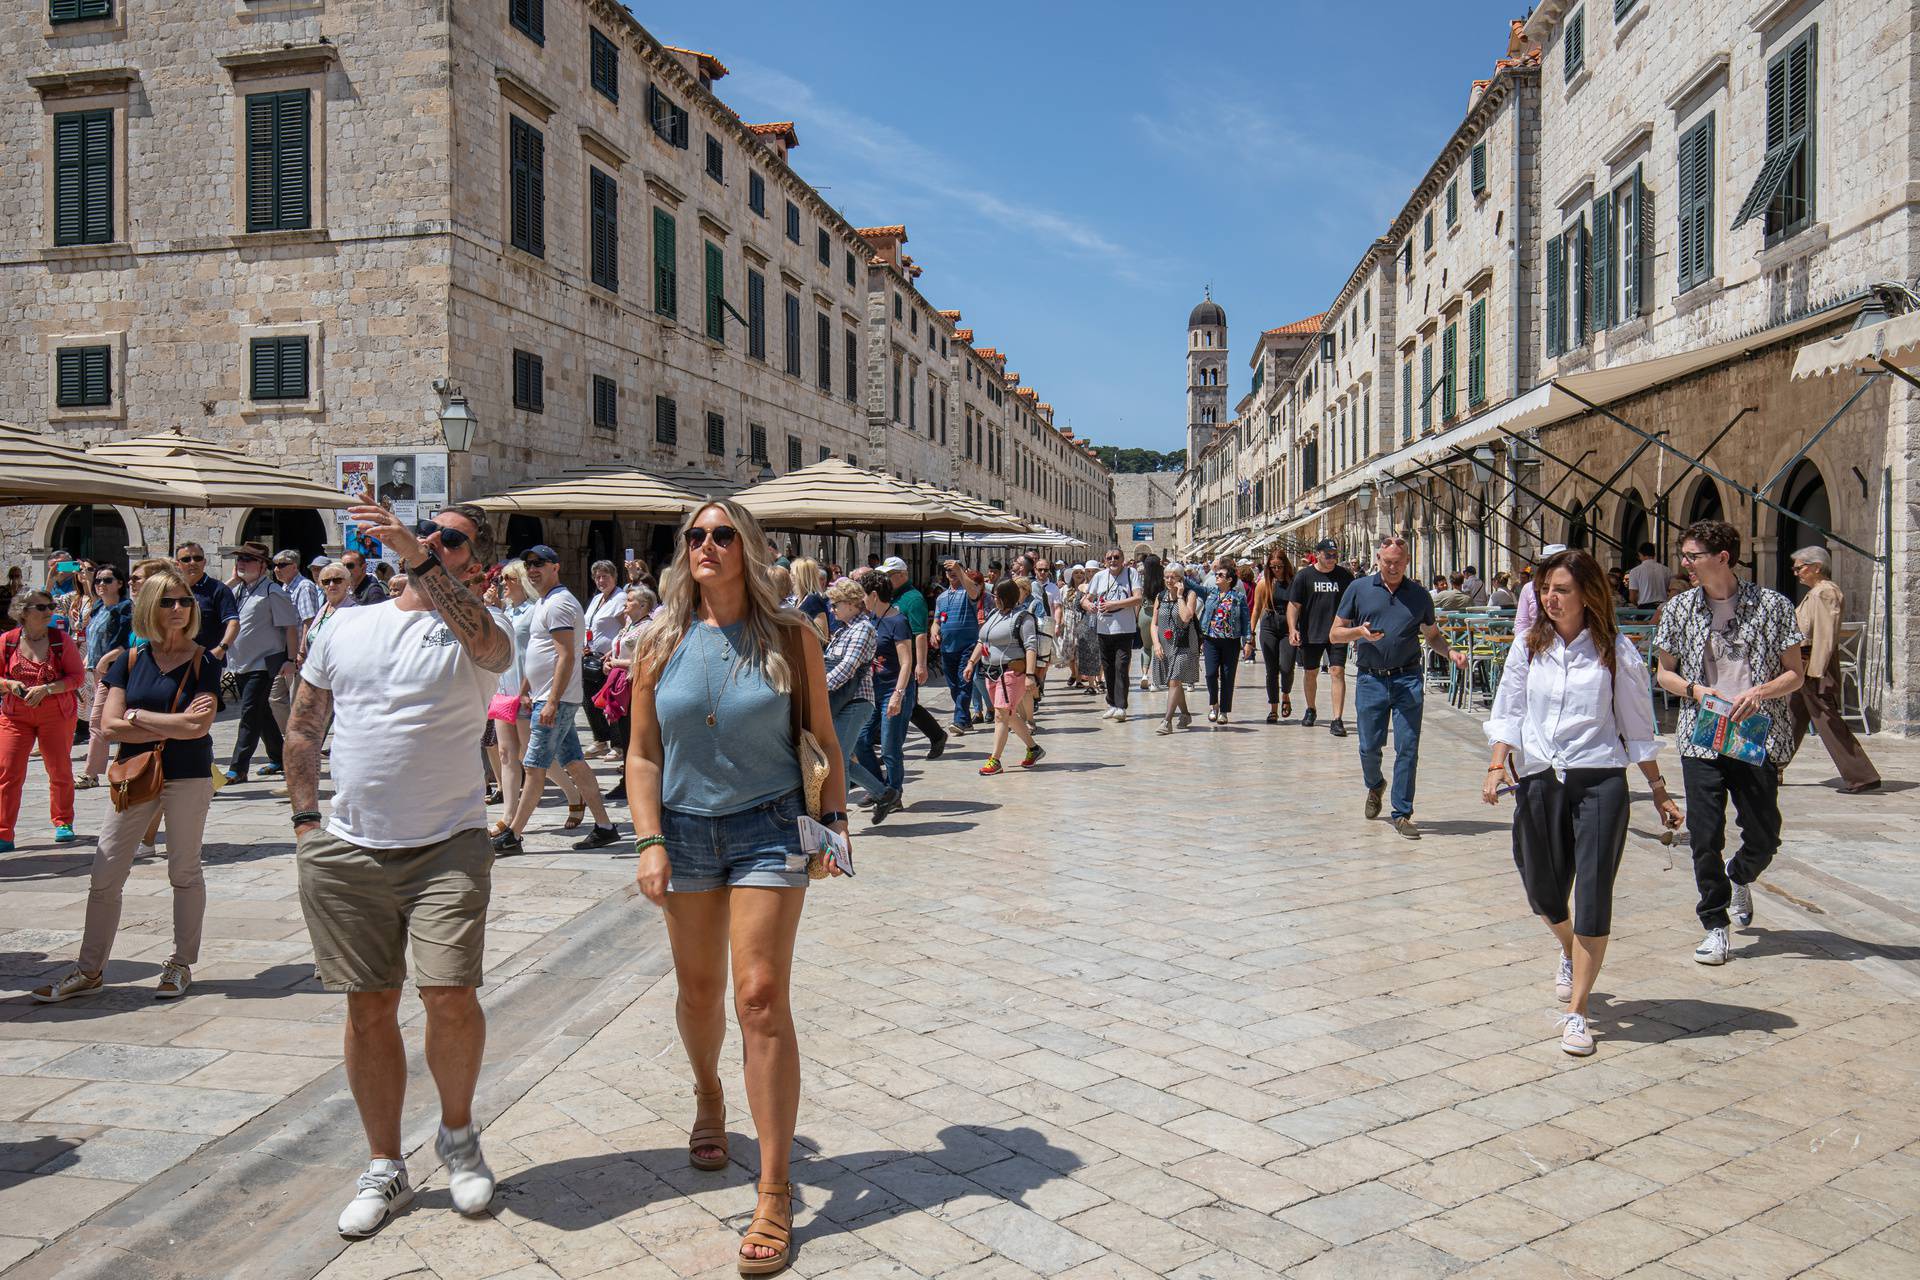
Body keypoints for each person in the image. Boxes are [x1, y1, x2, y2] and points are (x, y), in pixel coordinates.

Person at [626, 499, 847, 1278]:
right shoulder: (658, 640)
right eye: (695, 537)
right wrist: (648, 839)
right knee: (697, 994)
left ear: (747, 548)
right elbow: (643, 753)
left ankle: (775, 1189)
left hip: (769, 827)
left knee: (758, 994)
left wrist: (835, 826)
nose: (707, 547)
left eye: (722, 535)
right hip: (683, 830)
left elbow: (821, 733)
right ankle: (709, 1098)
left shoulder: (791, 636)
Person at [286, 501, 510, 1237]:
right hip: (346, 845)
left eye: (452, 540)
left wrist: (416, 555)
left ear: (472, 562)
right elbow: (306, 721)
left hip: (446, 843)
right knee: (368, 1004)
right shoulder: (344, 623)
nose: (434, 544)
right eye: (429, 532)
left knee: (449, 992)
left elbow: (488, 648)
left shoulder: (479, 629)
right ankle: (385, 1164)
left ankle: (458, 1134)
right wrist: (304, 821)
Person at [1483, 550, 1680, 1056]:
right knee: (1541, 887)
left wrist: (1658, 791)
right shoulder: (1529, 647)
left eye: (1562, 589)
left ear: (1587, 594)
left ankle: (1578, 1011)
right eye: (1546, 588)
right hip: (1541, 779)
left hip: (1600, 781)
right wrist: (1495, 763)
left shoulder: (1616, 649)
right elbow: (1509, 709)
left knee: (1593, 891)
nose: (1550, 598)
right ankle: (1570, 948)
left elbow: (1638, 727)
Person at [33, 568, 226, 1003]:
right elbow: (107, 725)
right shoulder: (130, 660)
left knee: (184, 870)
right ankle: (89, 969)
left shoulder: (204, 661)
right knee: (105, 874)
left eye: (185, 602)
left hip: (189, 775)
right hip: (134, 774)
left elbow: (199, 726)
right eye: (168, 601)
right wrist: (162, 724)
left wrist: (138, 717)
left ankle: (180, 963)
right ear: (149, 607)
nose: (178, 609)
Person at [1652, 519, 1805, 966]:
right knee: (1705, 833)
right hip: (1701, 734)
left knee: (1764, 835)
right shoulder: (1680, 609)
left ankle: (1740, 875)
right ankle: (1714, 924)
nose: (1685, 563)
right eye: (1684, 555)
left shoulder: (1772, 605)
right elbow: (1664, 672)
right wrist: (1696, 691)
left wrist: (1759, 692)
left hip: (1755, 734)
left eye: (1692, 555)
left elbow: (1795, 673)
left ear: (1722, 557)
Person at [1331, 536, 1466, 839]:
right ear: (1378, 558)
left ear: (1407, 562)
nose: (1392, 567)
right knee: (1368, 747)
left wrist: (1450, 652)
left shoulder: (1419, 595)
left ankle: (1402, 812)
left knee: (1407, 747)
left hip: (1407, 679)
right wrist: (1358, 632)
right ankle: (1375, 784)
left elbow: (1432, 635)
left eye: (1398, 562)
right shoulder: (1359, 589)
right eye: (1387, 561)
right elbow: (1335, 634)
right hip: (1370, 679)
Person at [493, 547, 619, 852]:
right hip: (544, 697)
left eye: (540, 564)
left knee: (534, 766)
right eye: (529, 564)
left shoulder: (560, 603)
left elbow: (565, 656)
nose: (533, 569)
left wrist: (551, 701)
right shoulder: (546, 602)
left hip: (554, 700)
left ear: (555, 567)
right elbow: (538, 652)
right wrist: (525, 687)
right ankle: (605, 826)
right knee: (574, 762)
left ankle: (513, 834)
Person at [1785, 547, 1879, 794]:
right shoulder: (1816, 592)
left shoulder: (1825, 592)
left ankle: (1861, 775)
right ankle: (1773, 766)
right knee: (1793, 716)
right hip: (1806, 664)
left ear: (1816, 566)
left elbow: (1826, 634)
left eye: (1799, 567)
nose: (1796, 573)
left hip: (1813, 665)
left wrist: (1817, 670)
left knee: (1826, 719)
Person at [0, 590, 87, 851]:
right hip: (15, 715)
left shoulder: (61, 641)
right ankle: (4, 832)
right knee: (7, 772)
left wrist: (47, 689)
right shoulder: (7, 641)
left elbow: (77, 677)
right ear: (24, 611)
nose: (49, 610)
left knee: (59, 769)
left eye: (51, 606)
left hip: (56, 714)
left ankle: (63, 821)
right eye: (41, 607)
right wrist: (9, 684)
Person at [222, 542, 302, 784]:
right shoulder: (238, 591)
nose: (242, 563)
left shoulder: (273, 592)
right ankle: (279, 757)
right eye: (240, 560)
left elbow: (290, 628)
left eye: (248, 559)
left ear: (262, 566)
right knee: (262, 712)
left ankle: (238, 767)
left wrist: (290, 659)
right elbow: (217, 599)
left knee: (249, 713)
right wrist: (233, 580)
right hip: (239, 662)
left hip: (263, 663)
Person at [854, 573, 915, 823]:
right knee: (861, 739)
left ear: (874, 595)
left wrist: (898, 695)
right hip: (874, 691)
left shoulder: (898, 621)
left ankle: (895, 792)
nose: (861, 600)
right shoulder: (871, 619)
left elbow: (906, 662)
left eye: (863, 595)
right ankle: (880, 788)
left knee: (890, 746)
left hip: (895, 691)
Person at [966, 579, 1043, 775]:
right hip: (990, 672)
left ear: (1005, 597)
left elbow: (1031, 646)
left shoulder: (1024, 618)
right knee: (1008, 714)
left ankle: (995, 760)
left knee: (1001, 715)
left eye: (997, 597)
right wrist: (971, 663)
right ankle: (1033, 749)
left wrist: (1030, 675)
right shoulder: (994, 614)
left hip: (1011, 672)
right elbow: (981, 641)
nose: (994, 600)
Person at [823, 576, 885, 805]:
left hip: (856, 701)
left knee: (838, 760)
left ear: (850, 603)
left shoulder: (862, 629)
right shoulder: (844, 630)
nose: (832, 609)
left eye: (835, 604)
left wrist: (820, 689)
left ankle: (838, 814)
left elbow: (848, 667)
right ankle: (883, 793)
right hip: (842, 700)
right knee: (841, 758)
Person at [883, 557, 948, 761]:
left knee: (906, 704)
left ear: (902, 575)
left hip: (906, 659)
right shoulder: (893, 596)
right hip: (892, 658)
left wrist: (921, 665)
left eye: (889, 576)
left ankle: (892, 749)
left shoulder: (913, 598)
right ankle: (937, 735)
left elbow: (920, 633)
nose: (886, 579)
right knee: (908, 705)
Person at [1288, 539, 1355, 735]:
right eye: (1328, 555)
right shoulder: (1304, 576)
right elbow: (1294, 605)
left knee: (1337, 671)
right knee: (1311, 673)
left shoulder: (1345, 577)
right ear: (1317, 554)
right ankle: (1311, 709)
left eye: (1335, 554)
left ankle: (1337, 718)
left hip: (1338, 632)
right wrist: (1293, 628)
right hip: (1312, 632)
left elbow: (1354, 602)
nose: (1332, 558)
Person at [74, 565, 132, 790]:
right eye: (98, 580)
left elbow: (125, 642)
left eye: (107, 580)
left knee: (98, 722)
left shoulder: (125, 608)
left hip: (115, 674)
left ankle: (91, 773)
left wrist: (104, 660)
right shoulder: (98, 607)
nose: (101, 584)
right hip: (97, 673)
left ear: (119, 583)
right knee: (104, 722)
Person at [598, 585, 657, 803]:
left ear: (643, 605)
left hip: (636, 685)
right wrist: (609, 660)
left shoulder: (648, 628)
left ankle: (635, 782)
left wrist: (616, 663)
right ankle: (628, 781)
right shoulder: (630, 625)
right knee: (623, 733)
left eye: (630, 599)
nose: (625, 603)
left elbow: (646, 659)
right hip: (622, 683)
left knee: (632, 733)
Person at [1081, 549, 1142, 722]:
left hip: (1124, 629)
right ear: (1105, 560)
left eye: (1116, 557)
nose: (1113, 560)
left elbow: (1138, 598)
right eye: (1109, 558)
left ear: (1123, 559)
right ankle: (1112, 704)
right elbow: (1085, 599)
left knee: (1121, 666)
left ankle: (1121, 706)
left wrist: (1114, 604)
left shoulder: (1131, 573)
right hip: (1104, 629)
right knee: (1107, 668)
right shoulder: (1099, 577)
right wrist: (1089, 606)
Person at [1195, 561, 1251, 724]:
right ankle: (1214, 705)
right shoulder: (1211, 593)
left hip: (1231, 641)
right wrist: (1180, 577)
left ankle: (1224, 711)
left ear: (1229, 580)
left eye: (1220, 575)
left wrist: (1248, 641)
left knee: (1227, 676)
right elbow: (1196, 588)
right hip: (1211, 640)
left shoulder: (1238, 597)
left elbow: (1245, 620)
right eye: (1216, 574)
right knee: (1211, 674)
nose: (1216, 577)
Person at [1148, 560, 1200, 735]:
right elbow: (1154, 624)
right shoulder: (1160, 597)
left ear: (1181, 578)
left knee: (1174, 680)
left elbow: (1186, 618)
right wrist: (1155, 643)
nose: (1169, 580)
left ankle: (1167, 721)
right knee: (1173, 682)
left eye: (1174, 577)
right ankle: (1185, 714)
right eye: (1167, 577)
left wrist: (1179, 596)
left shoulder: (1189, 594)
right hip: (1165, 644)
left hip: (1184, 643)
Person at [581, 560, 626, 761]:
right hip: (591, 657)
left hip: (609, 659)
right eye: (597, 577)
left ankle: (618, 744)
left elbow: (627, 626)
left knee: (610, 703)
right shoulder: (597, 598)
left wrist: (614, 651)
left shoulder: (620, 598)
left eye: (605, 576)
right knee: (589, 701)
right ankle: (600, 739)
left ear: (614, 577)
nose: (601, 580)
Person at [930, 561, 982, 733]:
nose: (951, 573)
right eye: (948, 571)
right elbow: (937, 621)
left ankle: (959, 720)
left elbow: (974, 592)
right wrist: (933, 633)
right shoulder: (941, 598)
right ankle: (966, 719)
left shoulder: (968, 591)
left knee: (964, 682)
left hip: (968, 645)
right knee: (954, 686)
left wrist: (961, 572)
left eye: (955, 570)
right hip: (947, 647)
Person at [1251, 548, 1296, 723]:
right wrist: (1251, 634)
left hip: (1288, 625)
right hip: (1269, 623)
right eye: (1273, 567)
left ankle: (1286, 695)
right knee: (1271, 670)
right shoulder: (1264, 583)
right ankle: (1273, 708)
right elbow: (1256, 608)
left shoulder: (1293, 582)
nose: (1276, 570)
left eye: (1279, 566)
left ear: (1285, 566)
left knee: (1286, 667)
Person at [175, 542, 240, 660]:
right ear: (177, 564)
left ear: (204, 562)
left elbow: (233, 623)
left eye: (197, 558)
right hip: (177, 659)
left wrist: (220, 650)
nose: (192, 562)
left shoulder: (219, 590)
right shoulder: (174, 590)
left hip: (207, 661)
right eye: (186, 559)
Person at [1512, 544, 1566, 633]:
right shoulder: (1529, 588)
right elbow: (1522, 621)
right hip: (1537, 640)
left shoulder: (1572, 587)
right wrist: (1521, 644)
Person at [788, 557, 830, 641]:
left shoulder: (813, 600)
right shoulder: (799, 599)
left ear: (799, 577)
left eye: (791, 574)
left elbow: (822, 636)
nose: (789, 577)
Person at [1624, 542, 1667, 608]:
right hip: (1663, 608)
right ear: (1654, 554)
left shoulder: (1635, 571)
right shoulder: (1666, 570)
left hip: (1644, 609)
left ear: (1640, 554)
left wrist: (1638, 604)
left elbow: (1632, 597)